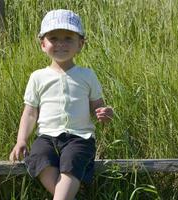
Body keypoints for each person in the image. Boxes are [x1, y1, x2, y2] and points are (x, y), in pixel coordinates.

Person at [9, 9, 113, 200]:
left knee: (72, 159)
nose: (60, 44)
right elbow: (30, 112)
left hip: (79, 137)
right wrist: (21, 139)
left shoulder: (87, 75)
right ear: (43, 44)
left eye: (68, 38)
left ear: (80, 44)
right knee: (39, 156)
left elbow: (97, 106)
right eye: (54, 38)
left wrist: (104, 113)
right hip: (47, 136)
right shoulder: (38, 77)